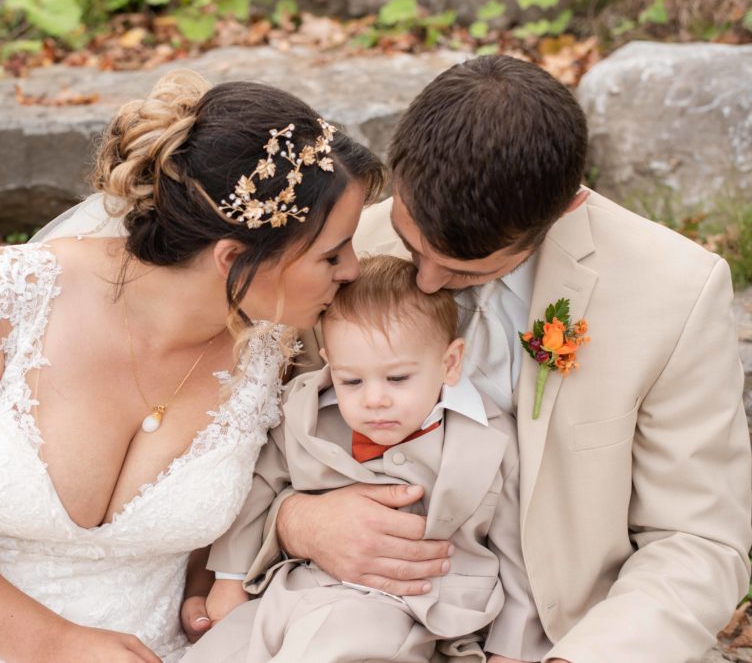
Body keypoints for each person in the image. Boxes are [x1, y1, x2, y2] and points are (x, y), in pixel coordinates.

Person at [0, 70, 386, 662]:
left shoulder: (278, 353)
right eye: (332, 253)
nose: (353, 269)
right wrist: (54, 645)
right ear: (233, 259)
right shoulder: (11, 298)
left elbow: (262, 494)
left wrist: (209, 580)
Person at [190, 56, 752, 662]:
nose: (427, 283)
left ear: (562, 209)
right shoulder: (339, 252)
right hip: (336, 615)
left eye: (465, 269)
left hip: (556, 640)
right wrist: (298, 522)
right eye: (411, 247)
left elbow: (696, 540)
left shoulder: (676, 293)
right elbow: (266, 445)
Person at [183, 255, 547, 663]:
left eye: (397, 379)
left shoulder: (490, 438)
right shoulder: (304, 412)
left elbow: (519, 557)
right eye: (352, 380)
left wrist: (511, 649)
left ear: (450, 362)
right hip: (296, 590)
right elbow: (258, 489)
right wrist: (230, 581)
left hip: (416, 608)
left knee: (335, 646)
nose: (374, 399)